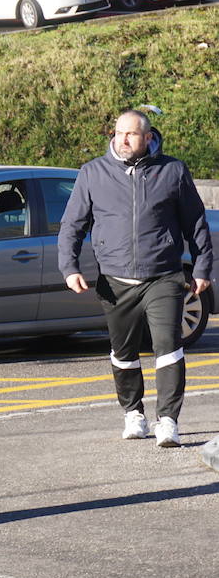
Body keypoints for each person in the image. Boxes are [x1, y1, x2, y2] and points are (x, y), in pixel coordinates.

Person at [58, 110, 213, 448]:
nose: (122, 140)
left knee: (168, 348)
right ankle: (133, 413)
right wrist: (69, 268)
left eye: (130, 134)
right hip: (115, 280)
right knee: (123, 351)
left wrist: (202, 268)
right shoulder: (92, 173)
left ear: (147, 137)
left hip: (163, 276)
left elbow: (195, 223)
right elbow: (72, 225)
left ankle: (168, 420)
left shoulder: (172, 171)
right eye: (118, 133)